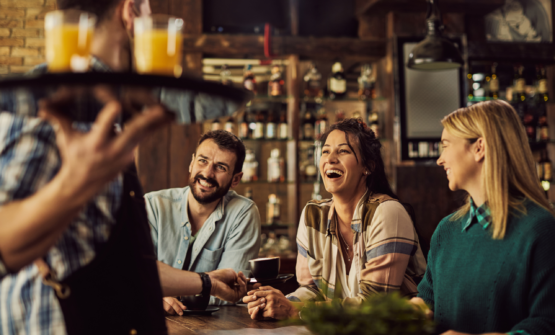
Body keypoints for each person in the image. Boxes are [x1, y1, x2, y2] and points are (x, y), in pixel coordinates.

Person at [0, 0, 247, 334]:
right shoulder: (55, 104)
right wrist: (75, 182)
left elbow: (121, 265)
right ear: (131, 11)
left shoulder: (109, 113)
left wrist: (206, 282)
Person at [243, 118, 427, 320]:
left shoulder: (388, 212)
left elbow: (375, 305)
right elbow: (311, 290)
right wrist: (276, 303)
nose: (330, 159)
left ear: (368, 167)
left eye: (343, 151)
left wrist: (294, 310)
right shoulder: (313, 215)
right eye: (325, 151)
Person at [411, 100, 555, 335]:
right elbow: (427, 302)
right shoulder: (446, 231)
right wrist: (389, 315)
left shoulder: (541, 229)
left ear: (479, 148)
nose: (440, 159)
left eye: (445, 146)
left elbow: (547, 323)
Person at [146, 130, 261, 314]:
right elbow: (131, 275)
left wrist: (159, 290)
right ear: (192, 163)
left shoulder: (243, 213)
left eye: (221, 167)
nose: (207, 173)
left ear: (236, 179)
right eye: (203, 160)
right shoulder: (152, 206)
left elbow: (229, 293)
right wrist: (207, 282)